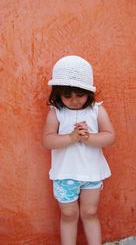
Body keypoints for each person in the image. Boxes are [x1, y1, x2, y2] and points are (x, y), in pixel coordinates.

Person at [43, 55, 115, 245]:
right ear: (58, 94)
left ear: (88, 92)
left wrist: (89, 137)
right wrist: (72, 137)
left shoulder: (96, 110)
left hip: (91, 173)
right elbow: (48, 140)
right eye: (67, 96)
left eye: (79, 95)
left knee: (90, 212)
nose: (74, 101)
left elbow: (109, 136)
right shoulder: (56, 112)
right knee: (68, 214)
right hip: (65, 174)